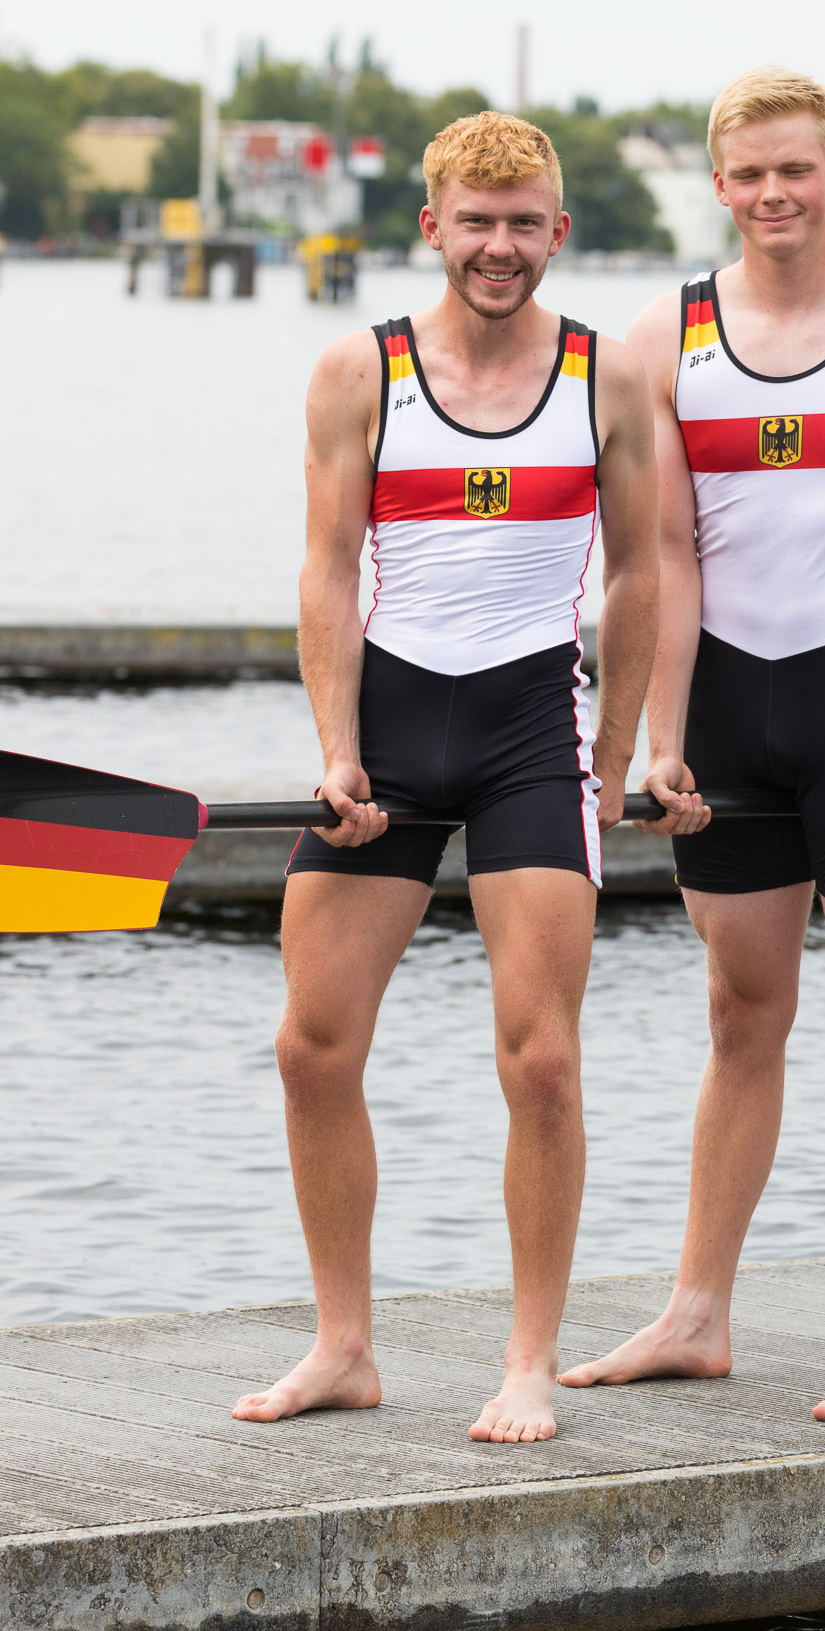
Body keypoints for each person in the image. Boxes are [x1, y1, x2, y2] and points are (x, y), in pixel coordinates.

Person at [557, 67, 825, 1424]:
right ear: (721, 184)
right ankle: (697, 1309)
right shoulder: (659, 336)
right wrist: (660, 736)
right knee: (740, 1012)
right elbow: (666, 553)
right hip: (733, 704)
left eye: (796, 170)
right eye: (748, 176)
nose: (772, 195)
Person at [232, 112, 662, 1442]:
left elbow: (645, 573)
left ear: (558, 230)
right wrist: (337, 749)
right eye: (476, 222)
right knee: (312, 1046)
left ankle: (528, 1357)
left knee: (539, 1059)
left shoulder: (609, 377)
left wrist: (611, 757)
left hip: (535, 729)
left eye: (525, 222)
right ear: (432, 226)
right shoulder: (359, 371)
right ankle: (344, 1344)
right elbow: (327, 568)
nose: (499, 247)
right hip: (394, 730)